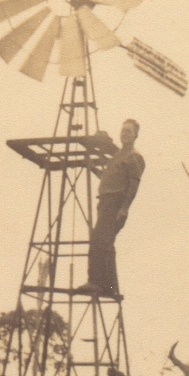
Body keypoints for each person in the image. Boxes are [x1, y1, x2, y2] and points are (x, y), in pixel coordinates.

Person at [76, 119, 145, 298]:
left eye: (128, 131)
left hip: (116, 203)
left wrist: (124, 208)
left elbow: (133, 184)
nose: (124, 134)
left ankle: (95, 282)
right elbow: (108, 178)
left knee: (98, 240)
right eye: (122, 131)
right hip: (105, 201)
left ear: (136, 135)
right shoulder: (117, 156)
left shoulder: (134, 157)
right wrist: (92, 168)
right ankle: (110, 287)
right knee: (106, 244)